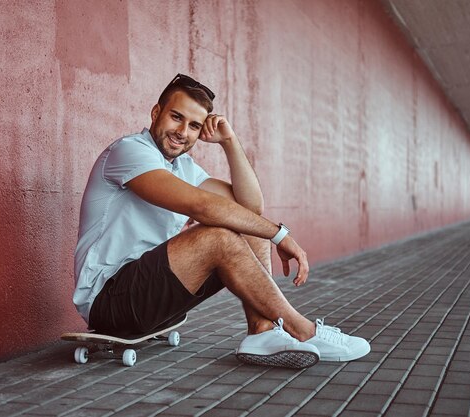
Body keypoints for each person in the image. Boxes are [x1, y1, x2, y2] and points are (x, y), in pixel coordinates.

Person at [73, 74, 370, 368]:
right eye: (176, 117)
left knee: (247, 224)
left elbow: (250, 206)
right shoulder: (130, 151)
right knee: (219, 236)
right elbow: (200, 206)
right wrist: (280, 235)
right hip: (109, 300)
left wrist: (230, 141)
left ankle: (262, 332)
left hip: (149, 296)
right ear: (156, 113)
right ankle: (304, 331)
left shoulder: (182, 167)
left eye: (194, 126)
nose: (182, 132)